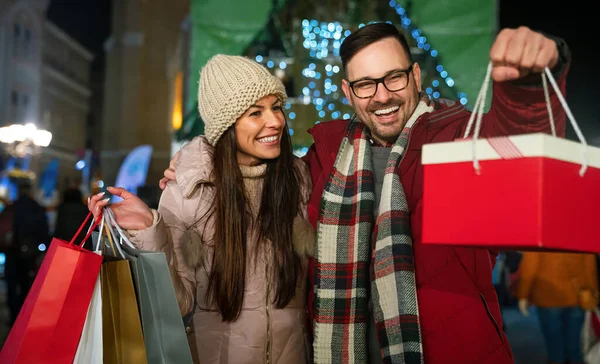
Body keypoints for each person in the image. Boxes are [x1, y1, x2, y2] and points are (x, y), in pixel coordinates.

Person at [160, 23, 571, 363]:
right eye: (365, 84)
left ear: (415, 76)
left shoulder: (458, 139)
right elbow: (254, 182)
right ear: (347, 91)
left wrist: (528, 87)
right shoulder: (323, 159)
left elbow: (514, 154)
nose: (382, 96)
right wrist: (198, 165)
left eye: (393, 77)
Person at [88, 54, 315, 364]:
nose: (275, 121)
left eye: (276, 107)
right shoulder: (189, 191)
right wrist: (149, 230)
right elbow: (176, 304)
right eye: (255, 112)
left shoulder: (299, 179)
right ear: (227, 125)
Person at [516, 252, 598, 364]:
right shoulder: (581, 235)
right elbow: (590, 267)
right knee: (574, 346)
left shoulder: (542, 237)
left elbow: (530, 265)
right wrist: (593, 292)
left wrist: (523, 295)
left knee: (555, 348)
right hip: (578, 295)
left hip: (548, 296)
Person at [5, 182, 49, 324]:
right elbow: (43, 230)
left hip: (12, 251)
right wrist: (42, 247)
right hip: (30, 253)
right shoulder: (36, 208)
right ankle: (24, 317)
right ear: (30, 192)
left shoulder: (11, 207)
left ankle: (13, 315)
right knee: (27, 284)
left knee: (11, 284)